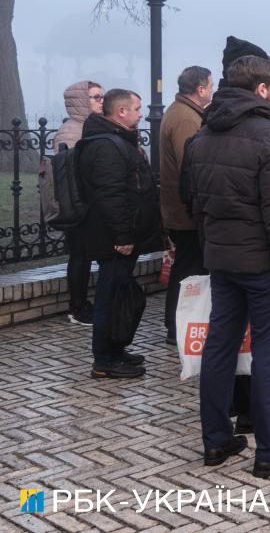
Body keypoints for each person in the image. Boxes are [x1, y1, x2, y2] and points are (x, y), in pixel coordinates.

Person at [187, 54, 270, 477]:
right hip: (263, 266)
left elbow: (198, 204)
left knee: (220, 347)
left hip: (224, 259)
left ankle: (216, 439)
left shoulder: (205, 133)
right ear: (260, 89)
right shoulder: (269, 134)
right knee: (269, 356)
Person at [79, 89, 162, 378]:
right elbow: (111, 196)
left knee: (117, 295)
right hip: (113, 240)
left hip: (121, 237)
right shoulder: (106, 146)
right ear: (121, 112)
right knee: (109, 296)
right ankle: (103, 359)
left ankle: (114, 350)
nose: (141, 114)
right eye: (137, 109)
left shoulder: (116, 141)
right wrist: (123, 237)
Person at [160, 65, 213, 343]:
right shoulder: (185, 119)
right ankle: (176, 325)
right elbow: (190, 166)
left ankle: (179, 323)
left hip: (182, 209)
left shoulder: (184, 113)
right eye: (210, 86)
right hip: (185, 212)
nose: (213, 91)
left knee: (188, 267)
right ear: (200, 89)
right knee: (188, 270)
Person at [54, 80, 103, 326]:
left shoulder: (90, 127)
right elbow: (73, 171)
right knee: (80, 256)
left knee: (85, 255)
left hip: (88, 203)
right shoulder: (71, 131)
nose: (101, 101)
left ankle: (84, 303)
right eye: (95, 97)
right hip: (77, 205)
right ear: (82, 100)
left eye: (101, 96)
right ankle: (78, 307)